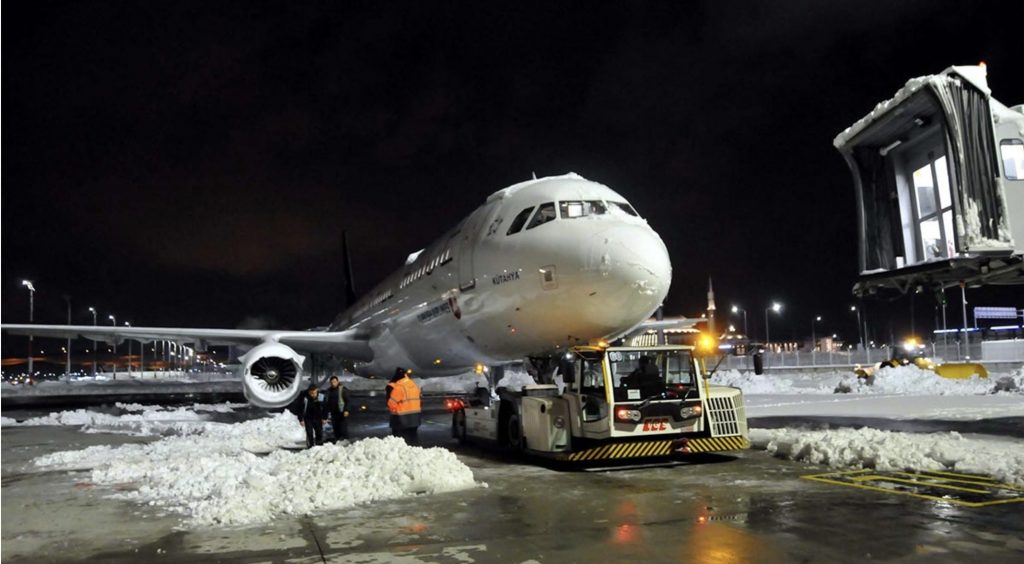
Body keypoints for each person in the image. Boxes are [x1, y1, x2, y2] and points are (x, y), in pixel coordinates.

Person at [386, 367, 422, 445]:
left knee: (400, 442)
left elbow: (391, 403)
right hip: (415, 418)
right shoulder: (414, 385)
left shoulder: (399, 387)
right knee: (413, 439)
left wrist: (393, 411)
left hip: (401, 420)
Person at [296, 384, 327, 448]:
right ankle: (310, 446)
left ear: (317, 391)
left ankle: (319, 446)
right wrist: (301, 419)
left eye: (314, 393)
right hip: (308, 418)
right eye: (311, 393)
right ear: (309, 392)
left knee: (319, 433)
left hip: (318, 417)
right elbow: (300, 408)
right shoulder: (305, 397)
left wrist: (324, 417)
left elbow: (325, 407)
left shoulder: (320, 396)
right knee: (309, 433)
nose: (313, 395)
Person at [325, 375, 351, 442]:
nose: (333, 384)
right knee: (336, 428)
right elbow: (326, 401)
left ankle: (346, 442)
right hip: (333, 413)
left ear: (338, 381)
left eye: (334, 382)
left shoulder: (343, 390)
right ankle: (338, 441)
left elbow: (348, 401)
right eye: (332, 382)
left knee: (343, 428)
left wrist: (347, 410)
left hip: (342, 412)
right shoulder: (329, 391)